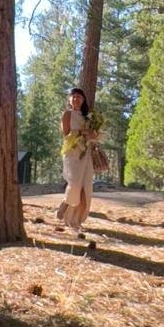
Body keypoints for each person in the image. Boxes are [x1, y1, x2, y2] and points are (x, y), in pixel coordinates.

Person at [55, 86, 98, 237]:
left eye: (79, 97)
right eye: (73, 96)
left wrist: (93, 135)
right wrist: (82, 132)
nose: (76, 99)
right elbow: (66, 133)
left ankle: (76, 219)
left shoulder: (89, 118)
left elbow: (94, 136)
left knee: (86, 187)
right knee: (74, 184)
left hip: (86, 154)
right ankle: (65, 208)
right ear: (69, 99)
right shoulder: (67, 114)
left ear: (84, 100)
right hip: (72, 153)